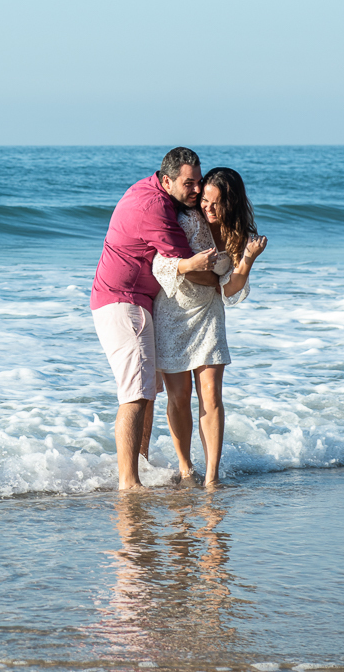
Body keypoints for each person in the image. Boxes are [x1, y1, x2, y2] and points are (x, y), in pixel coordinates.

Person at [91, 148, 221, 490]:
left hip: (135, 301)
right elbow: (191, 268)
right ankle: (129, 483)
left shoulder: (146, 188)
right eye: (188, 183)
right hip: (123, 301)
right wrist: (224, 280)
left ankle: (142, 465)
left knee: (146, 390)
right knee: (134, 394)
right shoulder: (156, 207)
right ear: (167, 181)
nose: (196, 190)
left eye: (199, 182)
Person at [151, 167, 266, 487]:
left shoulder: (237, 235)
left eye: (215, 204)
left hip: (209, 316)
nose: (208, 209)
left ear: (230, 204)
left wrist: (247, 260)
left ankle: (212, 476)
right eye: (204, 201)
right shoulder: (186, 222)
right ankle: (186, 467)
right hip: (173, 313)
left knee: (212, 396)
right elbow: (163, 265)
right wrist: (207, 275)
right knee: (179, 397)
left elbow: (229, 291)